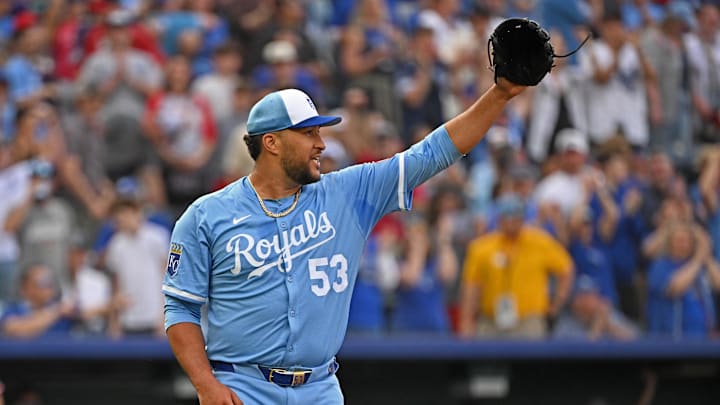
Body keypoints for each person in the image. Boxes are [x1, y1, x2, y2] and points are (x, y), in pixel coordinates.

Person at [163, 76, 526, 403]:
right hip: (242, 388)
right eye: (308, 134)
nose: (321, 144)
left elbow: (432, 153)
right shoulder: (206, 215)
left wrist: (499, 94)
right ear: (271, 142)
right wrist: (204, 384)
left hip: (320, 388)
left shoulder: (348, 192)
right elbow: (180, 307)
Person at [458, 194, 574, 339]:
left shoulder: (540, 242)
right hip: (490, 319)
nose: (511, 222)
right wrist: (467, 320)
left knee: (529, 359)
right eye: (507, 217)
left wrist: (556, 303)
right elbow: (471, 286)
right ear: (499, 219)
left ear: (523, 219)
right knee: (486, 360)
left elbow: (566, 269)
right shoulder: (481, 247)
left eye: (516, 217)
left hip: (528, 319)